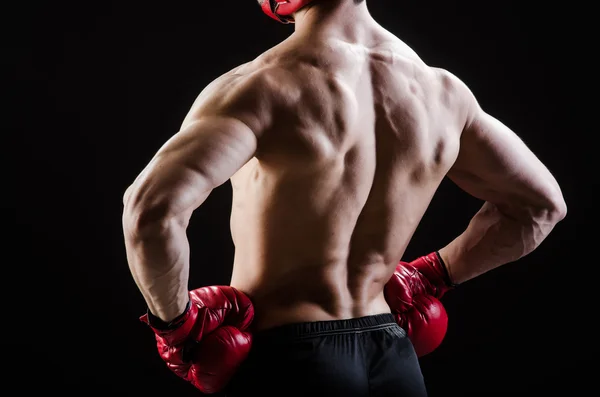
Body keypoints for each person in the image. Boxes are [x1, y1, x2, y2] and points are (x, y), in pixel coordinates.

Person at [122, 0, 567, 396]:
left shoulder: (260, 87)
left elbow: (150, 212)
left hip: (288, 361)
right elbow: (540, 206)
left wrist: (175, 326)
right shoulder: (442, 93)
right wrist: (431, 276)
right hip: (392, 358)